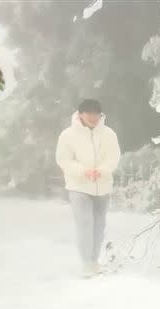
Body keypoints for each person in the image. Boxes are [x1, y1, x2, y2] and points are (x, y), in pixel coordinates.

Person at [56, 99, 121, 278]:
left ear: (101, 115)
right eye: (88, 113)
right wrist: (84, 172)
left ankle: (94, 261)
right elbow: (64, 159)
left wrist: (101, 171)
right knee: (85, 223)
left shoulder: (109, 134)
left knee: (99, 225)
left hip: (103, 186)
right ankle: (86, 263)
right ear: (80, 114)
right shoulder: (68, 135)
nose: (92, 117)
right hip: (79, 186)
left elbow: (114, 157)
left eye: (96, 113)